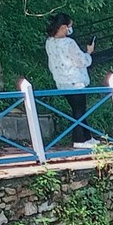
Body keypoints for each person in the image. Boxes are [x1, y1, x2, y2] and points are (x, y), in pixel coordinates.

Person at [44, 15, 95, 148]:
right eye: (69, 26)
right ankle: (79, 140)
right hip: (75, 81)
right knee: (79, 110)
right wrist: (89, 53)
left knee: (79, 110)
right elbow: (81, 61)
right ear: (63, 27)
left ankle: (88, 137)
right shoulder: (69, 43)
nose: (70, 29)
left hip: (61, 82)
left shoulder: (49, 42)